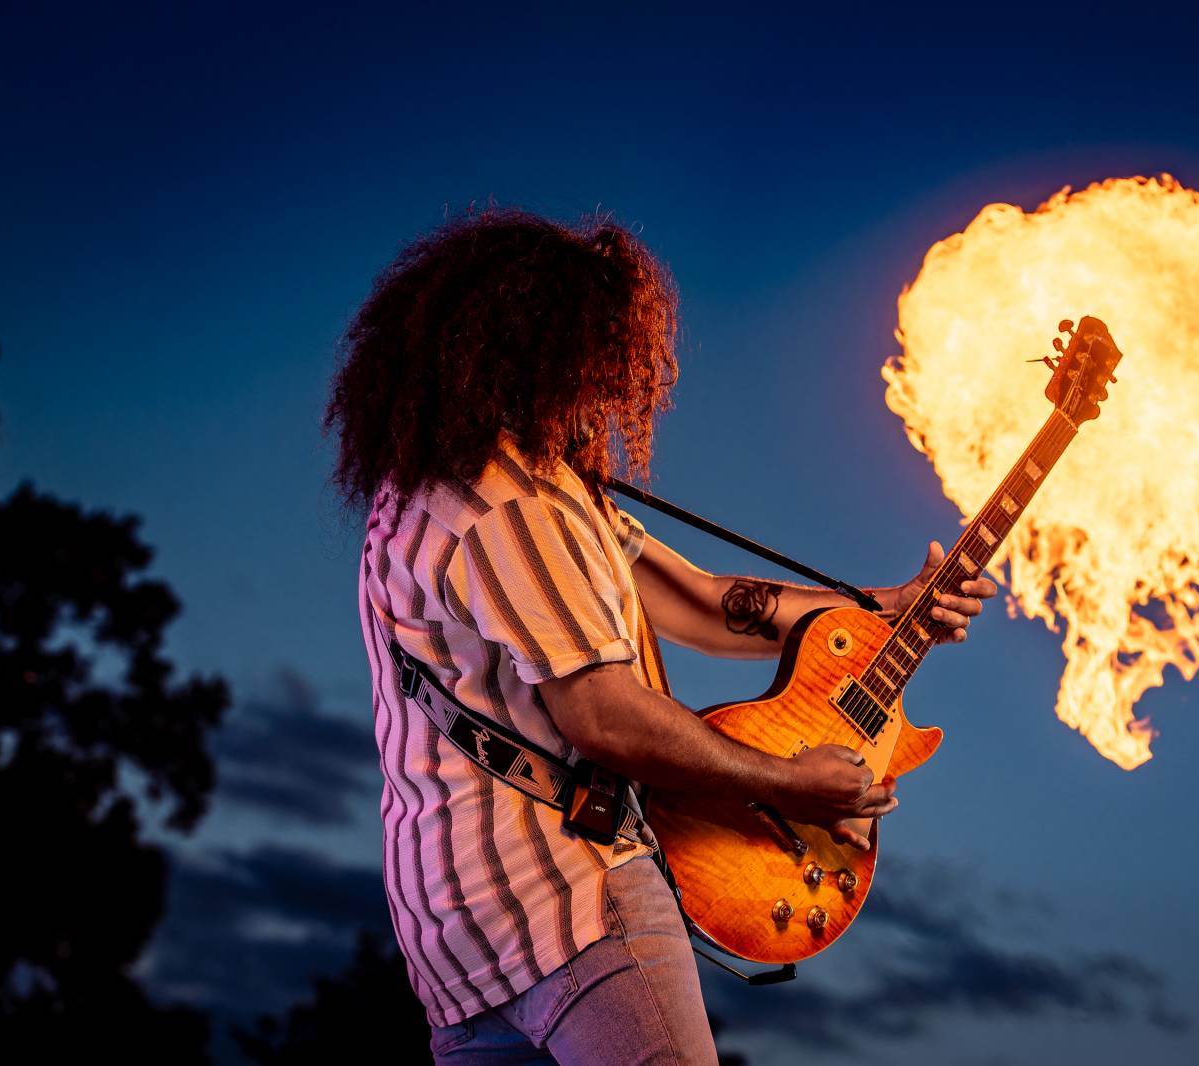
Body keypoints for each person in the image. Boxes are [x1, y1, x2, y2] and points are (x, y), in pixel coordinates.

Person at [324, 208, 996, 1065]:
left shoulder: (447, 495)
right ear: (539, 352)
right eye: (598, 358)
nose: (612, 388)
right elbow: (603, 716)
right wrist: (788, 783)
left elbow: (706, 603)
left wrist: (885, 609)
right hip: (566, 899)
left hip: (453, 944)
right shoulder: (512, 508)